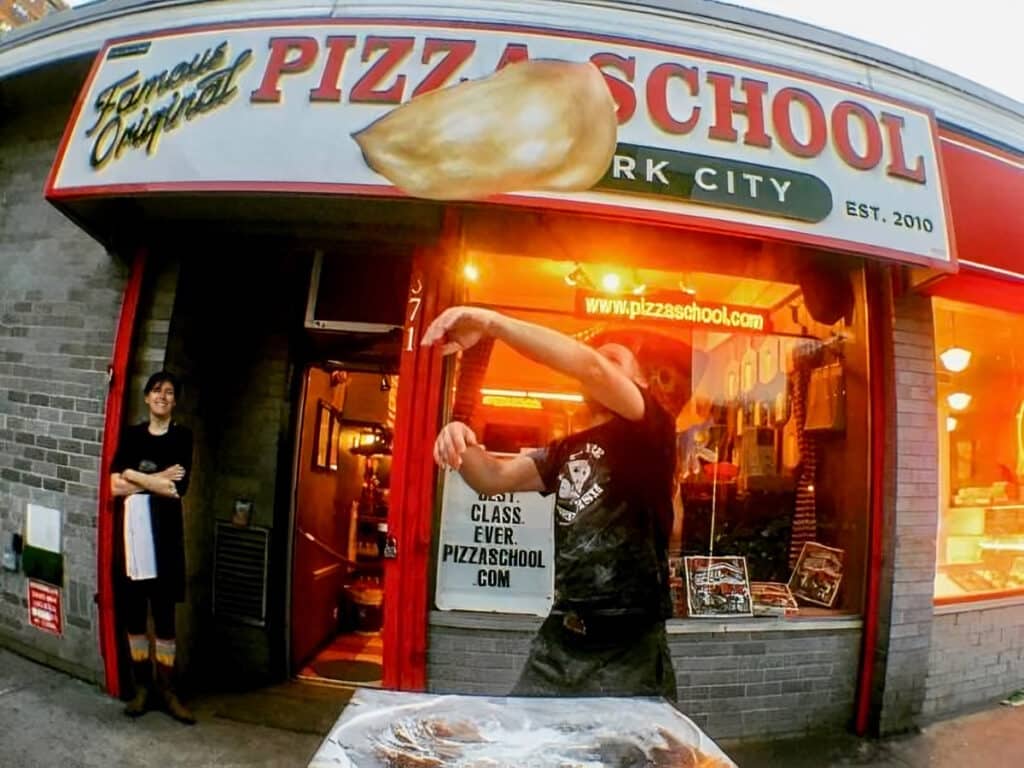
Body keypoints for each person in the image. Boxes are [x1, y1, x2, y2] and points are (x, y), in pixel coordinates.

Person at [423, 306, 691, 700]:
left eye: (614, 359)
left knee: (622, 758)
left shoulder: (652, 428)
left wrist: (493, 323)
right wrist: (458, 433)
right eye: (598, 355)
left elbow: (591, 369)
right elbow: (490, 480)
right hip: (560, 637)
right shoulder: (564, 450)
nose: (600, 364)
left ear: (638, 381)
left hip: (627, 648)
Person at [110, 371, 195, 724]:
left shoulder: (182, 437)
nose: (162, 396)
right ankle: (142, 689)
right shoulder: (131, 435)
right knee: (133, 619)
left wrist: (133, 475)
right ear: (147, 398)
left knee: (164, 622)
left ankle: (167, 691)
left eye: (169, 392)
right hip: (132, 538)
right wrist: (154, 479)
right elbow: (114, 486)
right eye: (156, 390)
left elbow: (177, 489)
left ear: (174, 402)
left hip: (166, 541)